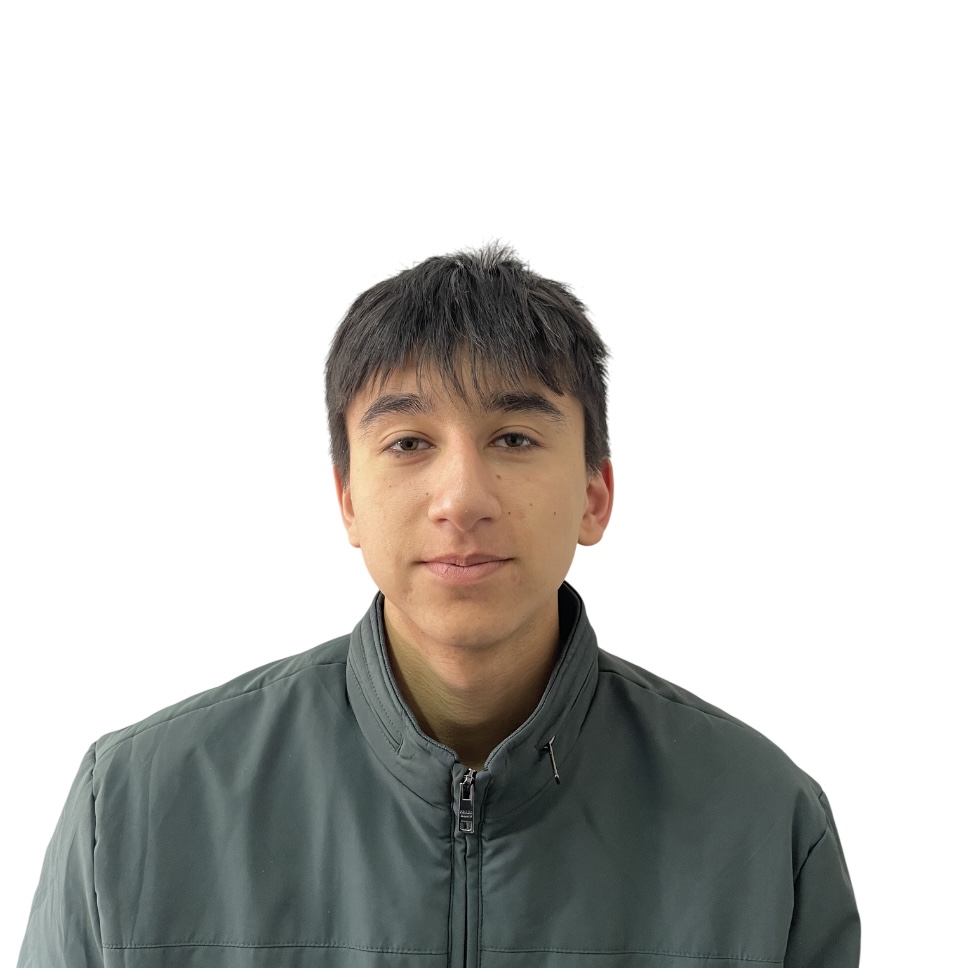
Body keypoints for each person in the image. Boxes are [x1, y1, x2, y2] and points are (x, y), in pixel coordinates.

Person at [18, 244, 860, 967]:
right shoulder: (132, 810)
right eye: (410, 442)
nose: (461, 498)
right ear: (348, 498)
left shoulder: (764, 826)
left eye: (515, 438)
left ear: (595, 494)